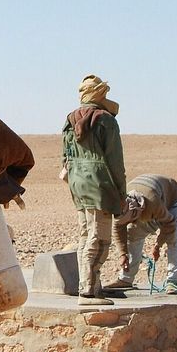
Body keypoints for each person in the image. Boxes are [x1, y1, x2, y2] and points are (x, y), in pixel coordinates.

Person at [61, 75, 126, 306]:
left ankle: (90, 286)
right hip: (100, 184)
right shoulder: (105, 120)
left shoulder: (70, 119)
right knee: (99, 238)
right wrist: (121, 192)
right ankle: (88, 291)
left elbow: (65, 157)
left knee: (85, 235)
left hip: (77, 183)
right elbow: (115, 162)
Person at [105, 174, 177, 294]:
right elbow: (118, 228)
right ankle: (126, 279)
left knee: (174, 238)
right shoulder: (120, 206)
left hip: (172, 199)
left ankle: (172, 282)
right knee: (132, 233)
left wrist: (158, 245)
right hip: (149, 201)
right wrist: (123, 254)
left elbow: (169, 223)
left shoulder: (153, 203)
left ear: (138, 212)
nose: (132, 223)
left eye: (132, 220)